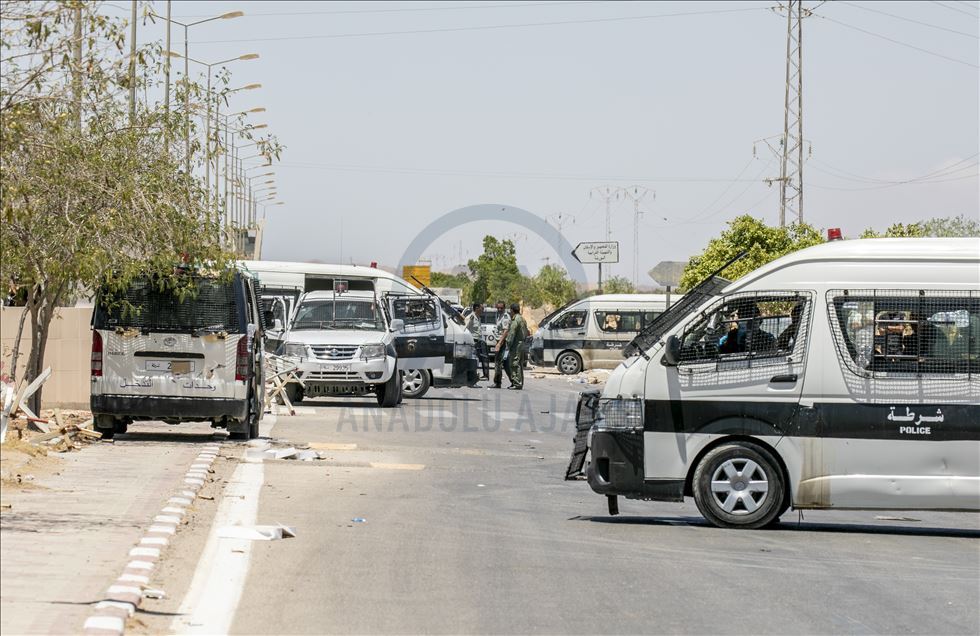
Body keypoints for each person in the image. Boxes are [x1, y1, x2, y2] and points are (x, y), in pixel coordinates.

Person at [505, 303, 529, 390]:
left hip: (516, 345)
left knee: (514, 363)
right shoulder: (522, 319)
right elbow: (526, 332)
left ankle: (517, 383)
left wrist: (508, 343)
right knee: (519, 363)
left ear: (512, 310)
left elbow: (512, 333)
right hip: (522, 344)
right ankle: (518, 382)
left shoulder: (515, 320)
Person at [465, 303, 489, 380]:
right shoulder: (471, 317)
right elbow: (465, 329)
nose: (483, 310)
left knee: (476, 360)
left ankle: (473, 378)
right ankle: (471, 379)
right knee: (473, 360)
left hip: (477, 342)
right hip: (472, 342)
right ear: (477, 308)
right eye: (481, 308)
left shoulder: (478, 318)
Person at [491, 300, 511, 388]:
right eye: (498, 308)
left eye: (501, 308)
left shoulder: (505, 317)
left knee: (498, 363)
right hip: (500, 342)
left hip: (502, 342)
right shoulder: (500, 316)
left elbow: (505, 331)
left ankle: (497, 382)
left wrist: (499, 343)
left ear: (504, 308)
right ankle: (514, 381)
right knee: (503, 363)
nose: (499, 309)